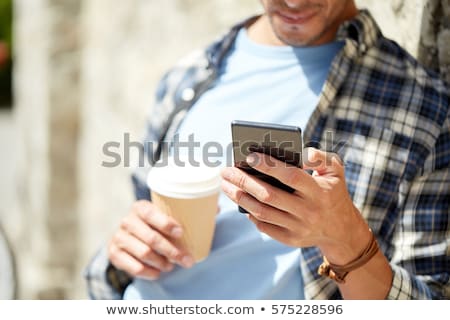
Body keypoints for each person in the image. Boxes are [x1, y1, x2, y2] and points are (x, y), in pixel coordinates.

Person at [84, 0, 450, 300]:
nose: (293, 2)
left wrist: (344, 239)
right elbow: (139, 227)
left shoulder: (425, 109)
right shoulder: (186, 76)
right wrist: (125, 252)